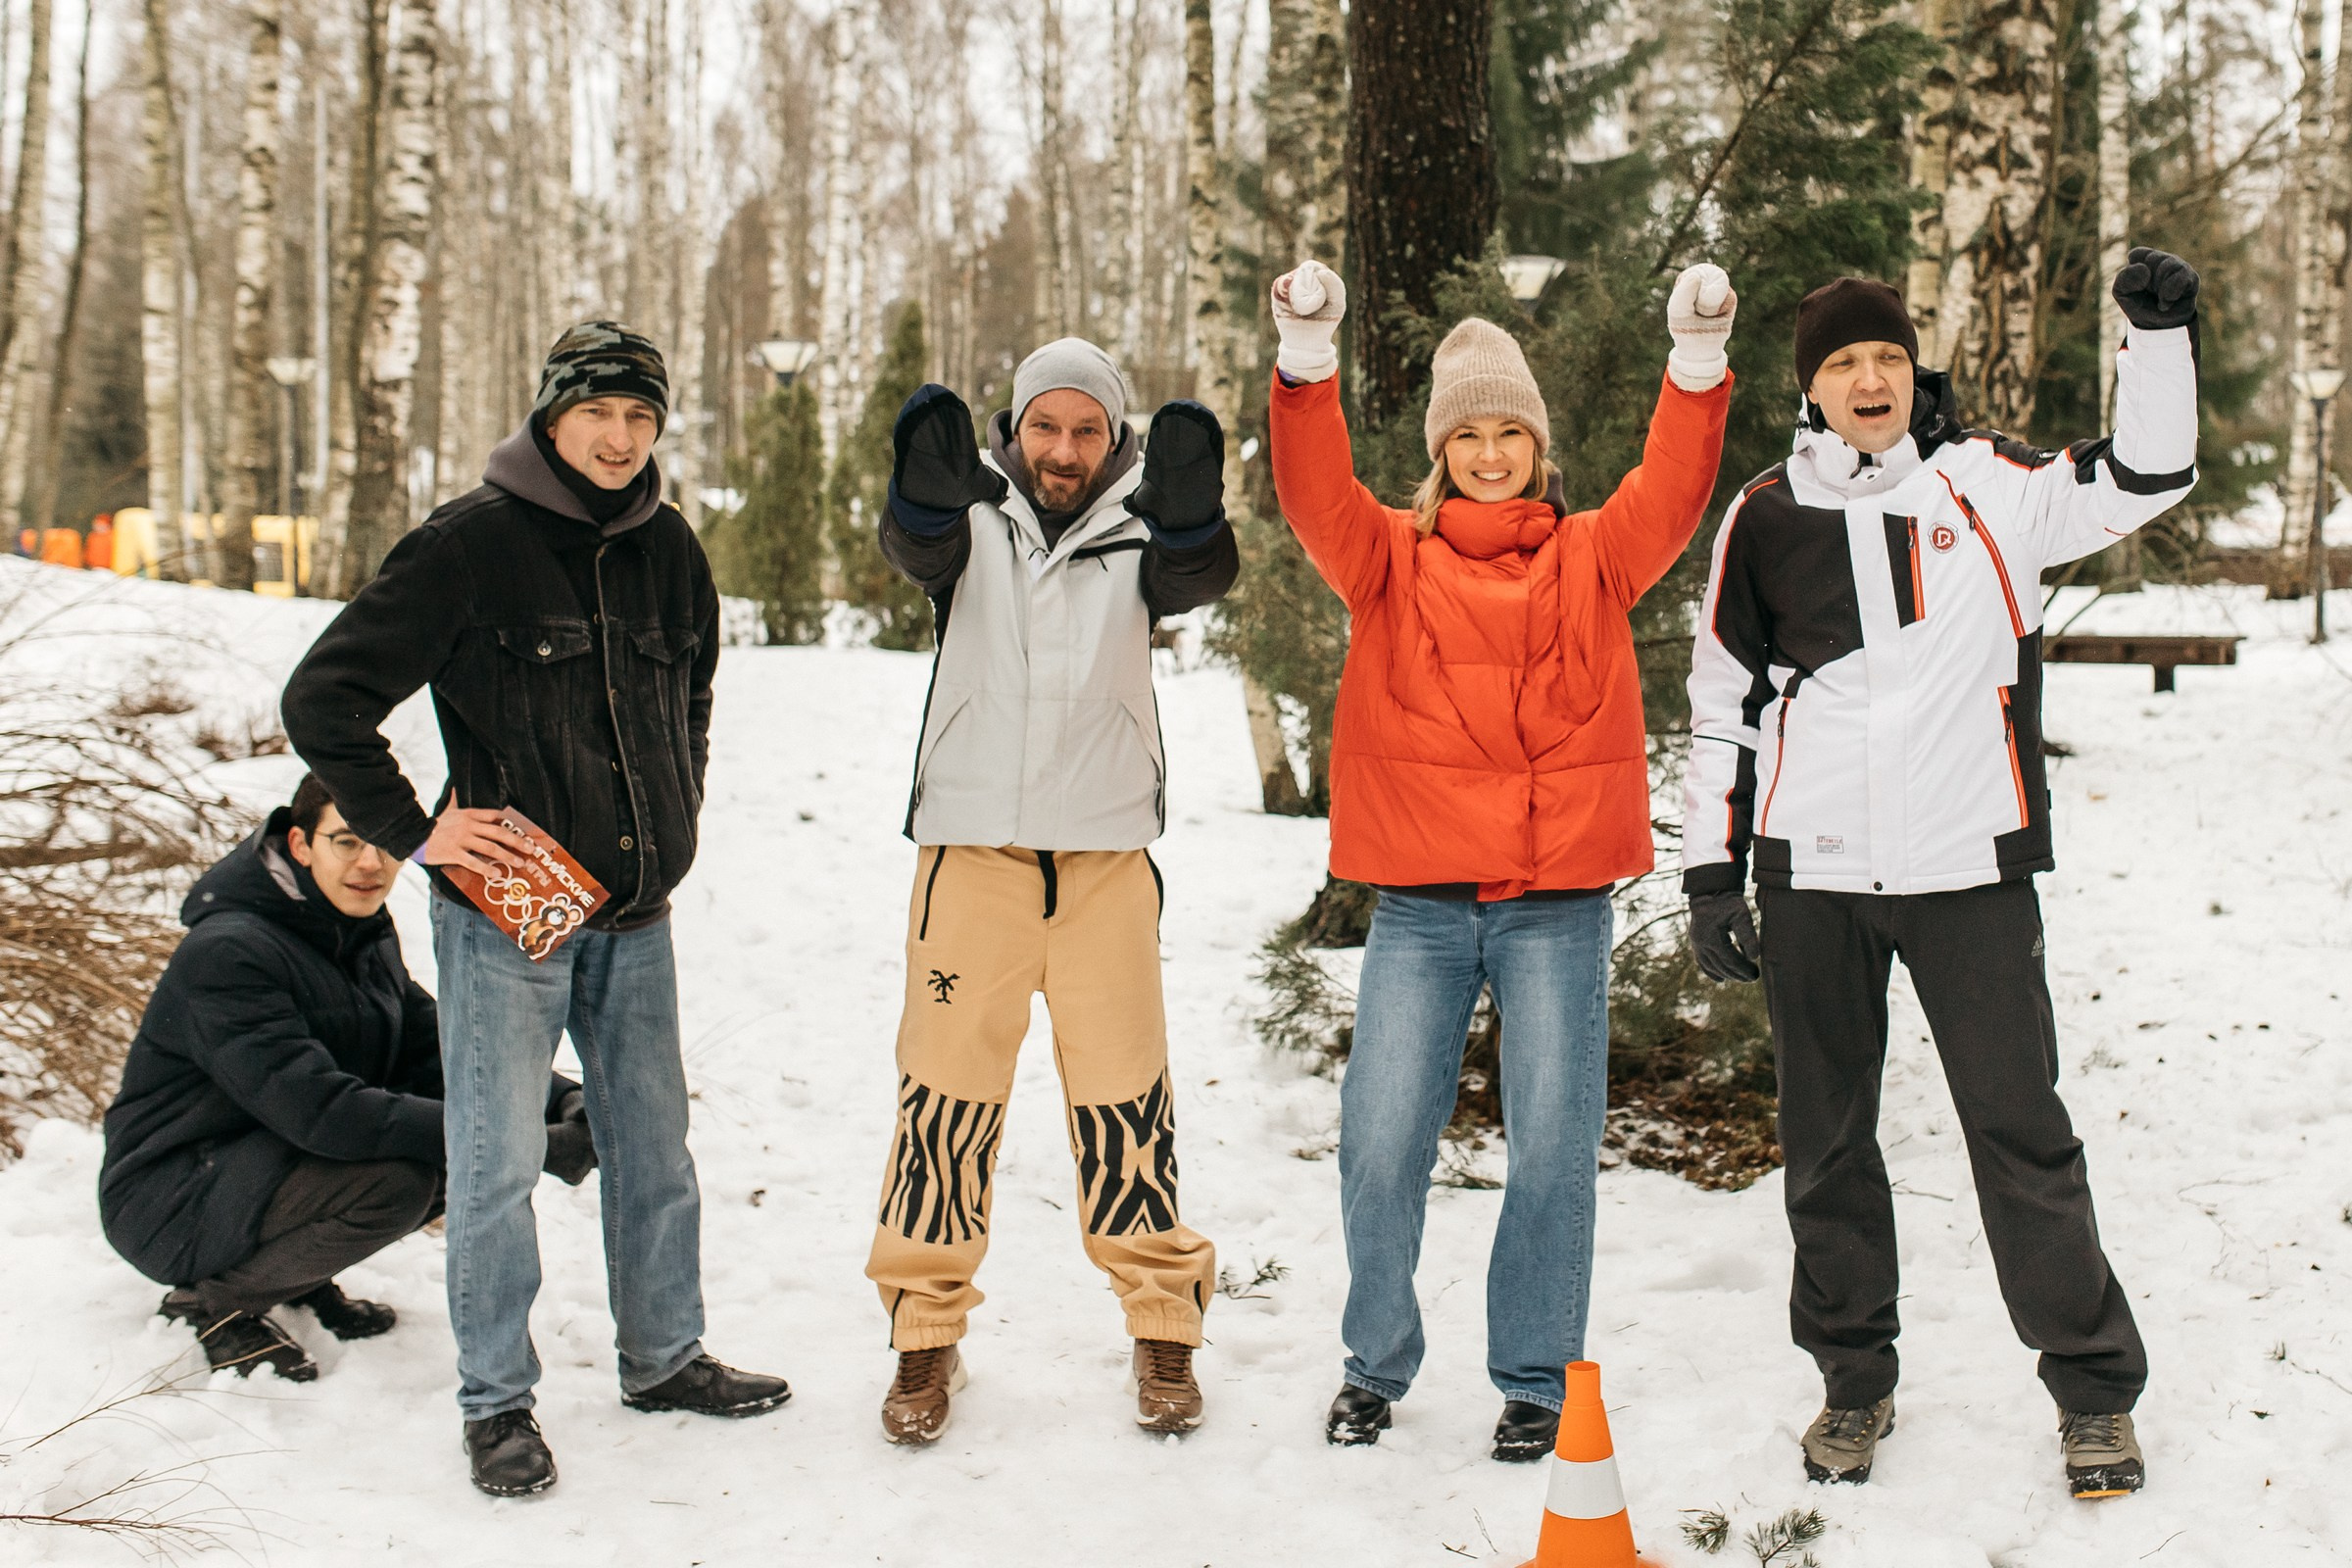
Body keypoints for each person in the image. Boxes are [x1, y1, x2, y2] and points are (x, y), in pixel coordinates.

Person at [1681, 251, 2202, 1499]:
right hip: (1816, 880)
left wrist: (2158, 338)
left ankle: (2092, 1394)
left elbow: (2150, 474)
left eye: (1888, 358)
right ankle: (1853, 1385)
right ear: (1812, 389)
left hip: (1972, 870)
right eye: (1845, 363)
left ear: (1917, 373)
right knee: (1827, 1143)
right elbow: (1722, 705)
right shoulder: (1763, 515)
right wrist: (1712, 870)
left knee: (2022, 1133)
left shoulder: (1999, 488)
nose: (1871, 380)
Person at [281, 322, 787, 1498]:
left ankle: (663, 1359)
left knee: (653, 1151)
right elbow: (326, 696)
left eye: (640, 417)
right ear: (552, 417)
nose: (618, 438)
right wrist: (417, 829)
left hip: (636, 916)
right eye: (597, 413)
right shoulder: (468, 546)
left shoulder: (672, 549)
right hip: (507, 921)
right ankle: (497, 1404)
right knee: (499, 1164)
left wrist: (677, 810)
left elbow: (694, 694)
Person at [1263, 258, 1738, 1460]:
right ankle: (1375, 1362)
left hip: (1553, 910)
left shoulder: (1592, 554)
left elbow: (1675, 490)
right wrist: (1307, 359)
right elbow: (1316, 492)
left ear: (1536, 444)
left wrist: (1695, 362)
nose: (1488, 453)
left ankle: (1534, 1377)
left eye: (1508, 432)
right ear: (1439, 450)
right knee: (1379, 1140)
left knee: (1552, 1150)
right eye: (1466, 434)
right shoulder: (1385, 559)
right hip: (1421, 910)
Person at [859, 338, 1237, 1445]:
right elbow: (912, 548)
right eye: (1044, 426)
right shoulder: (969, 521)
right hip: (970, 859)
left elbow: (1198, 578)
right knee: (944, 1097)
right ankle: (924, 1334)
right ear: (1014, 428)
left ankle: (1163, 1316)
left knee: (1127, 1098)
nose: (1063, 450)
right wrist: (921, 501)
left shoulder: (1141, 530)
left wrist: (1195, 519)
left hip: (1106, 863)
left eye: (1084, 429)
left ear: (1113, 438)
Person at [100, 775, 596, 1384]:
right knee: (402, 1179)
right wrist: (523, 1139)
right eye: (346, 841)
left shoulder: (354, 923)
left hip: (253, 1164)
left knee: (439, 1155)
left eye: (386, 843)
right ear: (301, 845)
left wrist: (559, 1097)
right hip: (170, 1194)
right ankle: (214, 1303)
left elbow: (432, 1043)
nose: (370, 863)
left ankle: (296, 1279)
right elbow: (322, 1113)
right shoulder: (230, 952)